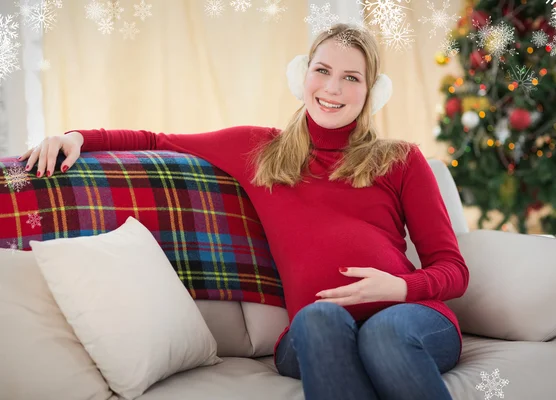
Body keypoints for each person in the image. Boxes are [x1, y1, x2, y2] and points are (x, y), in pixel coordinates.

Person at [20, 23, 469, 400]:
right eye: (323, 71)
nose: (333, 88)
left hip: (411, 318)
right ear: (302, 77)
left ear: (372, 91)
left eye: (352, 77)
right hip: (312, 333)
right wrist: (76, 137)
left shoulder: (400, 159)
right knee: (318, 318)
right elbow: (156, 139)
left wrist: (401, 286)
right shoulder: (259, 149)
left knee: (382, 335)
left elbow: (453, 269)